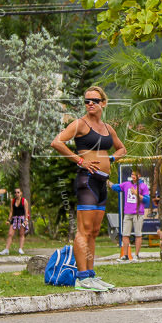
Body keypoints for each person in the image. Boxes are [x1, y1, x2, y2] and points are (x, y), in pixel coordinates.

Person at [49, 85, 127, 290]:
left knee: (93, 231)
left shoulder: (108, 128)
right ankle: (82, 277)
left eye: (94, 100)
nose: (90, 104)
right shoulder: (79, 124)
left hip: (102, 182)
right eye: (86, 101)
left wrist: (110, 158)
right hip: (87, 181)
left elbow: (122, 148)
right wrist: (80, 161)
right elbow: (57, 142)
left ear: (103, 103)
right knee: (83, 231)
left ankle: (91, 275)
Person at [112, 169, 150, 261]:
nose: (133, 176)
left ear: (139, 176)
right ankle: (125, 255)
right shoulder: (126, 184)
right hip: (127, 213)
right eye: (132, 174)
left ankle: (136, 255)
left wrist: (137, 193)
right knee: (125, 234)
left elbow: (146, 200)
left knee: (138, 234)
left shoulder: (143, 186)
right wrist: (107, 181)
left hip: (138, 213)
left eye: (135, 175)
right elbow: (115, 187)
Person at [0, 187, 30, 256]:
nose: (16, 194)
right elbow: (11, 211)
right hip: (14, 219)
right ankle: (6, 249)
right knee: (10, 234)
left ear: (21, 193)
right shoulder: (12, 201)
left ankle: (20, 249)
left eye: (18, 192)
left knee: (21, 234)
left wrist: (26, 220)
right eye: (15, 192)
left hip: (22, 218)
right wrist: (8, 219)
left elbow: (26, 211)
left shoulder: (24, 201)